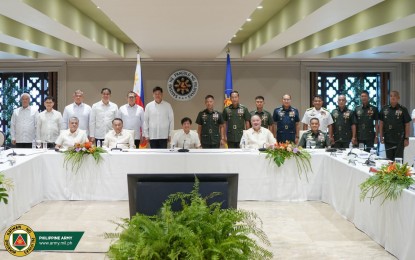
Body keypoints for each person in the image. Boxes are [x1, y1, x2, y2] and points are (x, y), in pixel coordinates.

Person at [379, 91, 411, 161]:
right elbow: (381, 123)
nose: (392, 98)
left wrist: (406, 138)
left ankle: (398, 172)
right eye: (391, 96)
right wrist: (381, 136)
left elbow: (407, 124)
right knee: (389, 160)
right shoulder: (384, 109)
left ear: (398, 98)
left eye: (395, 96)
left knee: (398, 160)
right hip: (388, 139)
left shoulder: (403, 109)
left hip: (399, 139)